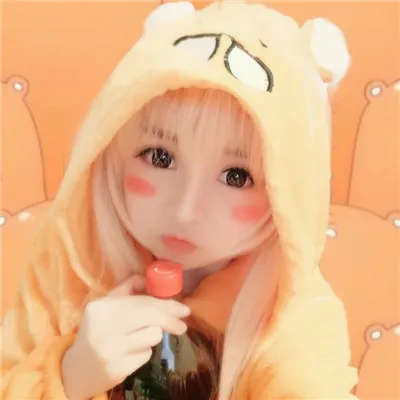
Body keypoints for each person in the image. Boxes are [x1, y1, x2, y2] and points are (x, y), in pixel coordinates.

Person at [1, 1, 358, 399]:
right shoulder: (68, 261)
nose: (186, 211)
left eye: (237, 176)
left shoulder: (293, 311)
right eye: (160, 157)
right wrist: (68, 378)